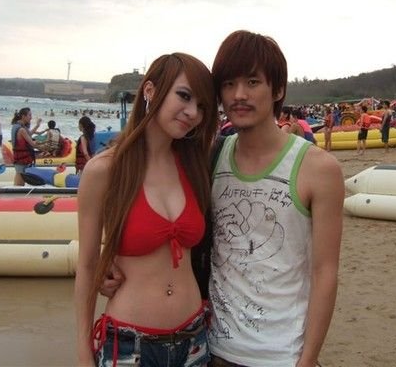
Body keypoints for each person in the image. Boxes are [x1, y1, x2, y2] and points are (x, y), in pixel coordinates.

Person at [102, 31, 344, 366]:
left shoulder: (318, 169)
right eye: (229, 84)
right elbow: (153, 197)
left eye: (253, 82)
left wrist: (308, 358)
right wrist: (108, 259)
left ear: (278, 90)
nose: (239, 95)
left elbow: (325, 272)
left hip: (282, 354)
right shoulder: (209, 157)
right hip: (208, 348)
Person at [75, 53, 217, 367]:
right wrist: (84, 352)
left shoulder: (195, 167)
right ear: (150, 90)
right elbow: (86, 266)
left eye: (202, 106)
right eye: (184, 96)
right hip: (130, 345)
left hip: (194, 341)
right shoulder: (104, 171)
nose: (193, 112)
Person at [11, 108, 41, 186]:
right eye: (29, 115)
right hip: (21, 159)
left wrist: (37, 125)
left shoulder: (16, 126)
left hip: (19, 158)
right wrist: (43, 146)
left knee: (19, 178)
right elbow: (33, 144)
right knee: (20, 183)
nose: (31, 117)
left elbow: (29, 134)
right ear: (23, 116)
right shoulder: (22, 129)